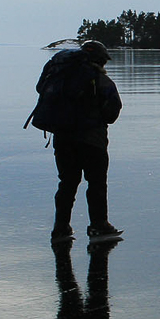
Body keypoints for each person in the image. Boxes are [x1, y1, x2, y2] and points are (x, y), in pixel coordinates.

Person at [49, 40, 123, 244]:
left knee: (67, 183)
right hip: (92, 141)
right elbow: (112, 114)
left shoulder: (60, 76)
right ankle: (99, 224)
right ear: (100, 60)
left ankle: (60, 227)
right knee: (97, 183)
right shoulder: (101, 81)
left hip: (63, 139)